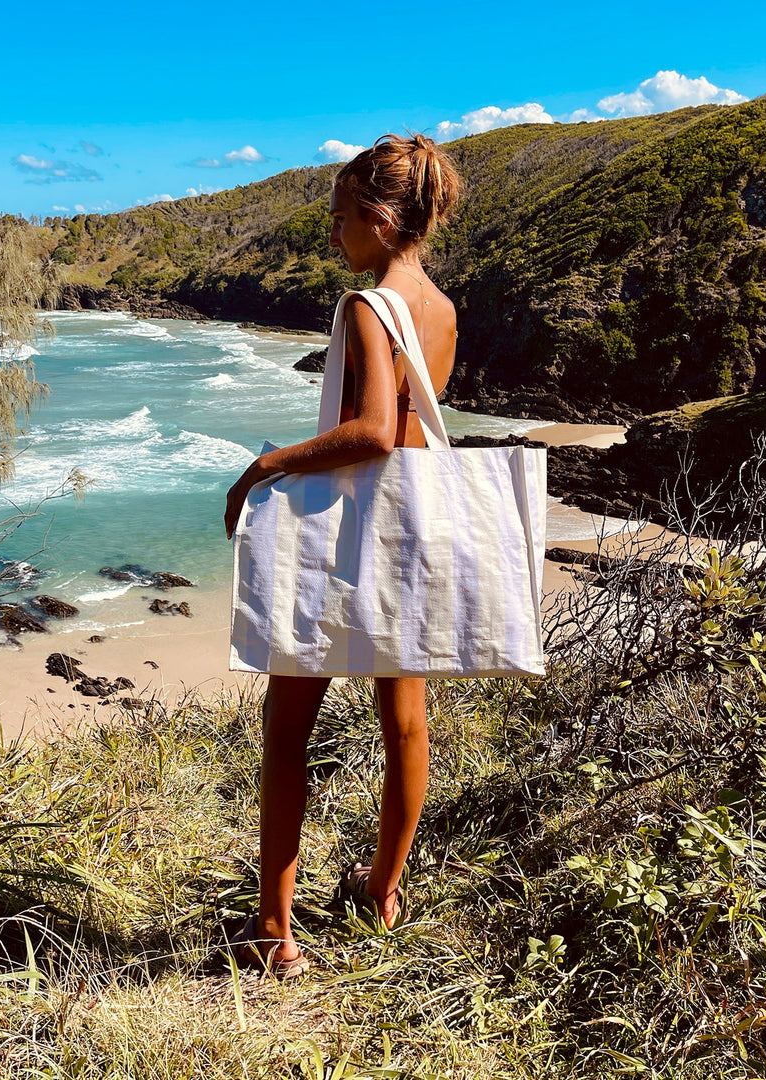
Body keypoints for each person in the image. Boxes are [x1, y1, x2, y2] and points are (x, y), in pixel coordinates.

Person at [223, 134, 461, 978]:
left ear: (379, 218)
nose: (334, 238)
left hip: (343, 543)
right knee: (406, 726)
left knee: (289, 731)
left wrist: (267, 464)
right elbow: (414, 434)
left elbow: (368, 433)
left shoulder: (368, 307)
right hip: (410, 539)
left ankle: (275, 931)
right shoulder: (442, 310)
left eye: (340, 220)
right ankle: (381, 894)